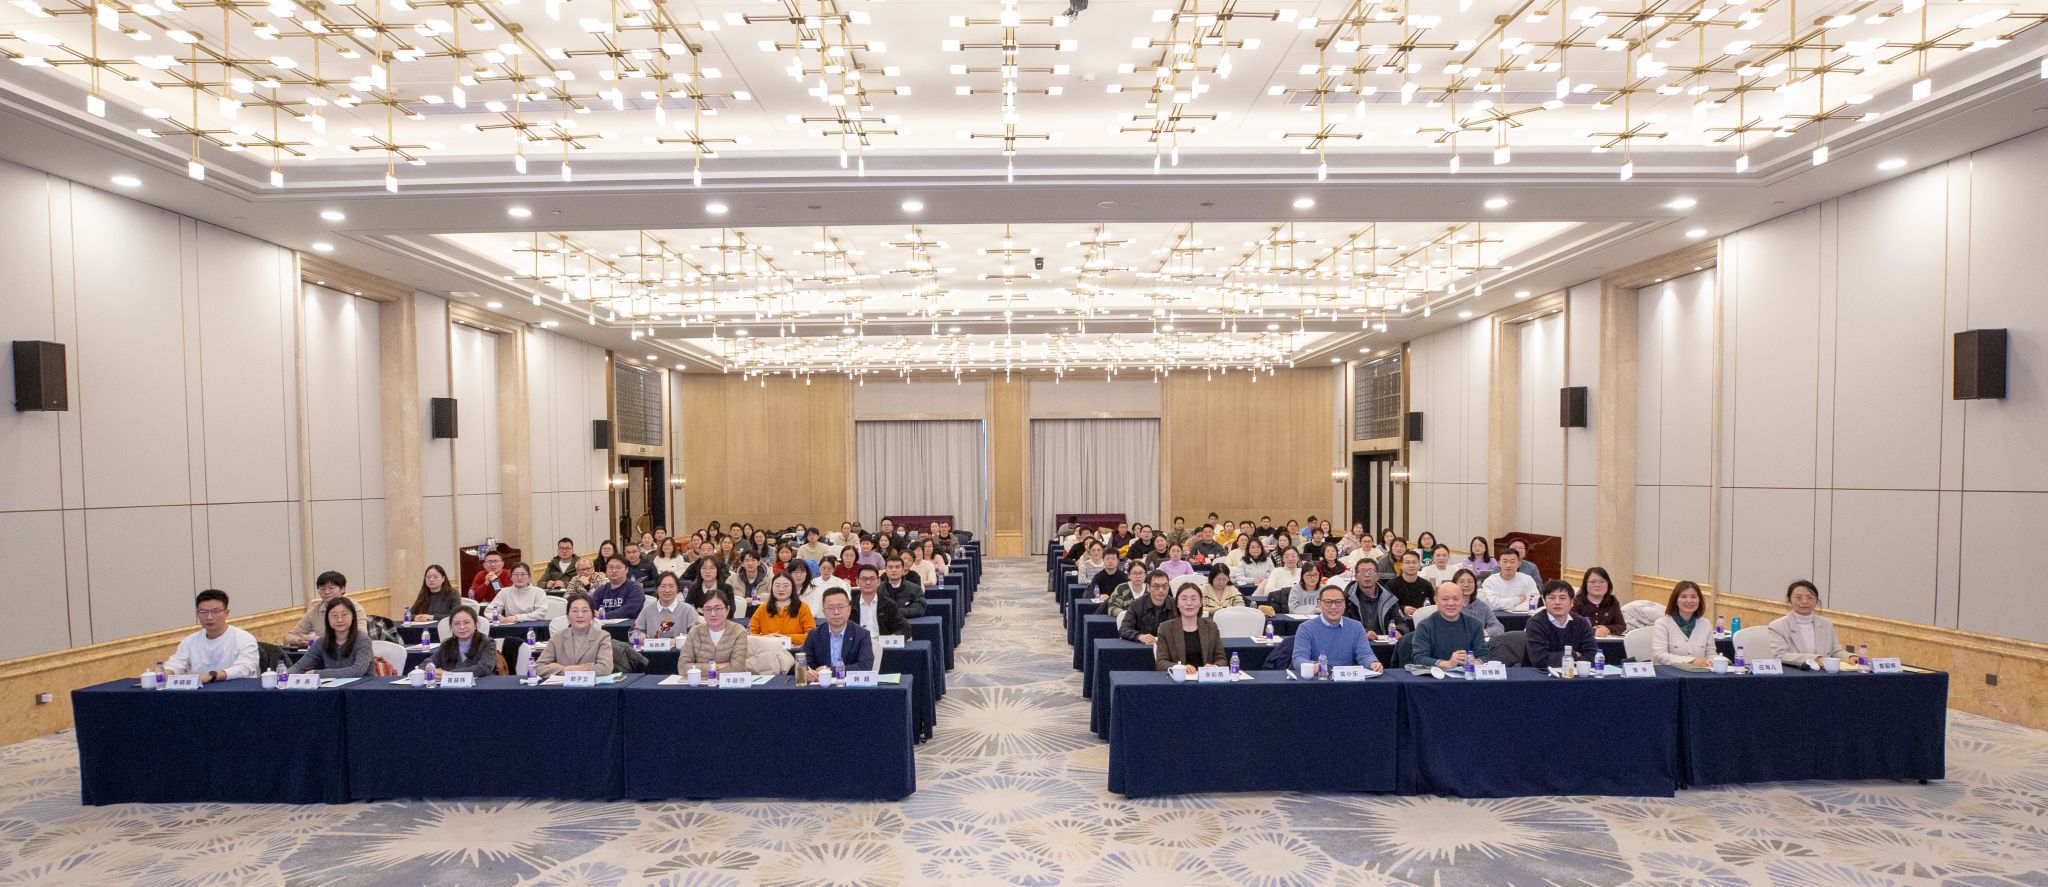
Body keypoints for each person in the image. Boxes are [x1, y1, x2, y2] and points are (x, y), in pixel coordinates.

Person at [164, 589, 260, 683]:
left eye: (215, 611)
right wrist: (168, 672)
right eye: (203, 612)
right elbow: (176, 662)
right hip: (202, 691)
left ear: (226, 613)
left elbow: (246, 667)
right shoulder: (190, 641)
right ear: (197, 614)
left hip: (238, 689)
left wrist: (213, 676)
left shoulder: (244, 639)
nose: (209, 617)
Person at [1292, 582, 1385, 674]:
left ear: (1344, 604)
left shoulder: (1356, 627)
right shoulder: (1306, 628)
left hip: (1346, 678)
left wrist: (1373, 663)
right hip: (1319, 678)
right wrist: (1315, 666)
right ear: (1320, 604)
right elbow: (1298, 659)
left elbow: (1365, 654)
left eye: (1338, 602)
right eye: (1328, 602)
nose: (1334, 606)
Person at [1767, 579, 1851, 669]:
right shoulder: (1778, 626)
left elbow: (1835, 651)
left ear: (1816, 601)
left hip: (1824, 673)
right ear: (1789, 600)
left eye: (1809, 598)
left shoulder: (1826, 624)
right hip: (1796, 673)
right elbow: (1780, 656)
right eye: (1798, 598)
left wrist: (1850, 657)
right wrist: (1814, 659)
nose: (1804, 601)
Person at [1406, 582, 1488, 669]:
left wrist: (1473, 662)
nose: (1451, 603)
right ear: (1436, 600)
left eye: (1456, 599)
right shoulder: (1425, 626)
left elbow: (1484, 655)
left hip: (1467, 674)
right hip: (1435, 675)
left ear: (1463, 600)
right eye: (1445, 599)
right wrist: (1448, 664)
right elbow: (1419, 658)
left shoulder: (1475, 625)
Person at [289, 596, 375, 677]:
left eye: (344, 615)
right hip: (334, 687)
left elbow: (357, 670)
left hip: (363, 685)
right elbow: (299, 667)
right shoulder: (322, 642)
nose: (339, 620)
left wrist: (318, 673)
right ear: (328, 618)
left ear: (353, 616)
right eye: (334, 615)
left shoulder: (363, 640)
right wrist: (284, 676)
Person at [800, 587, 875, 676]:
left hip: (849, 684)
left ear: (849, 610)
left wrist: (830, 671)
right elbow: (802, 663)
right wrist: (807, 673)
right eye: (830, 608)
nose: (836, 612)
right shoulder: (814, 635)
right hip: (821, 683)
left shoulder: (862, 634)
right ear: (824, 612)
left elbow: (865, 666)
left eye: (840, 607)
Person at [536, 593, 615, 676]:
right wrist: (564, 670)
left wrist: (565, 669)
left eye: (585, 611)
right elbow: (538, 668)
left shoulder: (602, 636)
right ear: (568, 615)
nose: (580, 615)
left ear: (592, 614)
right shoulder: (558, 637)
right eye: (575, 611)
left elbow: (605, 668)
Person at [1525, 580, 1597, 669]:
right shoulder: (1535, 623)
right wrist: (1574, 654)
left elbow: (1593, 657)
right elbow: (1541, 660)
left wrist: (1559, 659)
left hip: (1576, 674)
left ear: (1571, 602)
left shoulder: (1582, 623)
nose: (1557, 602)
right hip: (1539, 675)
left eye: (1562, 598)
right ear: (1544, 601)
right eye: (1552, 598)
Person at [281, 571, 364, 647]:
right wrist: (300, 640)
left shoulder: (355, 609)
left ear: (342, 589)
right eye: (322, 588)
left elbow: (361, 637)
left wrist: (318, 640)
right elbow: (288, 637)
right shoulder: (314, 611)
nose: (326, 592)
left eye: (331, 588)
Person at [1154, 583, 1224, 670]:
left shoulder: (1211, 627)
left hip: (1205, 677)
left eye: (1194, 599)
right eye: (1184, 599)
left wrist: (1215, 666)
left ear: (1200, 603)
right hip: (1179, 677)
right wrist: (1180, 668)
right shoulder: (1165, 628)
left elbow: (1221, 659)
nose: (1189, 603)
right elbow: (1161, 663)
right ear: (1177, 603)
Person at [1653, 580, 1717, 668]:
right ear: (1675, 601)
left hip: (1698, 673)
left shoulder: (1705, 624)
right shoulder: (1662, 623)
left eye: (1694, 597)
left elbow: (1711, 654)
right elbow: (1660, 655)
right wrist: (1691, 661)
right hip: (1669, 673)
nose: (1689, 601)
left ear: (1699, 600)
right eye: (1683, 597)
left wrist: (1719, 660)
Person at [679, 592, 748, 672]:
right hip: (702, 680)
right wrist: (716, 666)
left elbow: (738, 668)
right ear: (702, 611)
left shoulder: (738, 631)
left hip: (730, 680)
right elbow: (682, 667)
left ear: (727, 610)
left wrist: (697, 668)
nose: (713, 614)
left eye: (718, 608)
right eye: (708, 609)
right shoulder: (695, 631)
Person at [431, 606, 501, 676]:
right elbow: (428, 663)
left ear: (475, 624)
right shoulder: (447, 645)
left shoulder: (487, 643)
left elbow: (484, 667)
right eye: (456, 624)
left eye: (466, 623)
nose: (462, 627)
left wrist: (448, 674)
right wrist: (431, 669)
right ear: (451, 626)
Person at [750, 573, 816, 647]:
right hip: (767, 650)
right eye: (777, 586)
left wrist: (788, 638)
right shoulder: (762, 608)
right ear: (772, 588)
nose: (781, 589)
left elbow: (812, 636)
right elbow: (751, 635)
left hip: (796, 650)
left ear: (792, 588)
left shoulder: (803, 607)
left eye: (786, 586)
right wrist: (767, 638)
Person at [636, 572, 700, 640]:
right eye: (663, 586)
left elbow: (697, 635)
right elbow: (634, 632)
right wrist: (640, 637)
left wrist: (677, 640)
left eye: (671, 586)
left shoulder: (688, 610)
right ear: (656, 589)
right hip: (653, 647)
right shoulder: (647, 610)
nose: (667, 590)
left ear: (677, 588)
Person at [851, 565, 911, 637]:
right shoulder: (850, 606)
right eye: (864, 579)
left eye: (872, 579)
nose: (868, 582)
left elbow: (903, 628)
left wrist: (893, 637)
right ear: (857, 582)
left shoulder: (889, 604)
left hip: (882, 643)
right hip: (858, 643)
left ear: (878, 582)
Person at [1118, 570, 1174, 644]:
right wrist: (1139, 636)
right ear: (1148, 587)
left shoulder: (1176, 605)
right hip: (1143, 647)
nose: (1161, 590)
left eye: (1164, 586)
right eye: (1156, 586)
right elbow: (1124, 629)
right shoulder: (1136, 605)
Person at [1352, 569, 1409, 640]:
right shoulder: (1347, 600)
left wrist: (1399, 631)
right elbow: (1345, 625)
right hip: (1357, 643)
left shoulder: (1389, 598)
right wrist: (1364, 632)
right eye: (1362, 571)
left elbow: (1402, 623)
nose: (1367, 575)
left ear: (1378, 576)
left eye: (1371, 571)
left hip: (1388, 643)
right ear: (1355, 576)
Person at [485, 562, 550, 624]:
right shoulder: (504, 592)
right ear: (511, 577)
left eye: (523, 574)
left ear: (529, 576)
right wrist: (498, 617)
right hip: (510, 627)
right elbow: (489, 611)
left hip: (533, 627)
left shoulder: (538, 592)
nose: (519, 577)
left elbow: (540, 613)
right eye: (516, 574)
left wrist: (517, 618)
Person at [1573, 566, 1627, 637]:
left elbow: (1621, 626)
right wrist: (1593, 631)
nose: (1598, 585)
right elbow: (1573, 626)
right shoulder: (1577, 602)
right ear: (1585, 584)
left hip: (1607, 640)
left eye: (1602, 581)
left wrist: (1607, 629)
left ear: (1608, 584)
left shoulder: (1612, 601)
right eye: (1593, 582)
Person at [1450, 568, 1507, 636]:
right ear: (1454, 584)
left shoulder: (1481, 606)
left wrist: (1484, 632)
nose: (1466, 585)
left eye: (1470, 581)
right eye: (1461, 581)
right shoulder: (1449, 606)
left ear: (1475, 585)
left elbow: (1498, 627)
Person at [590, 555, 647, 620]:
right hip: (602, 625)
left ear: (626, 569)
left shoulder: (635, 588)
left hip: (628, 626)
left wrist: (604, 616)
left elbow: (630, 611)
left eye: (618, 567)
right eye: (610, 567)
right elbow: (591, 609)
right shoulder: (600, 590)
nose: (614, 570)